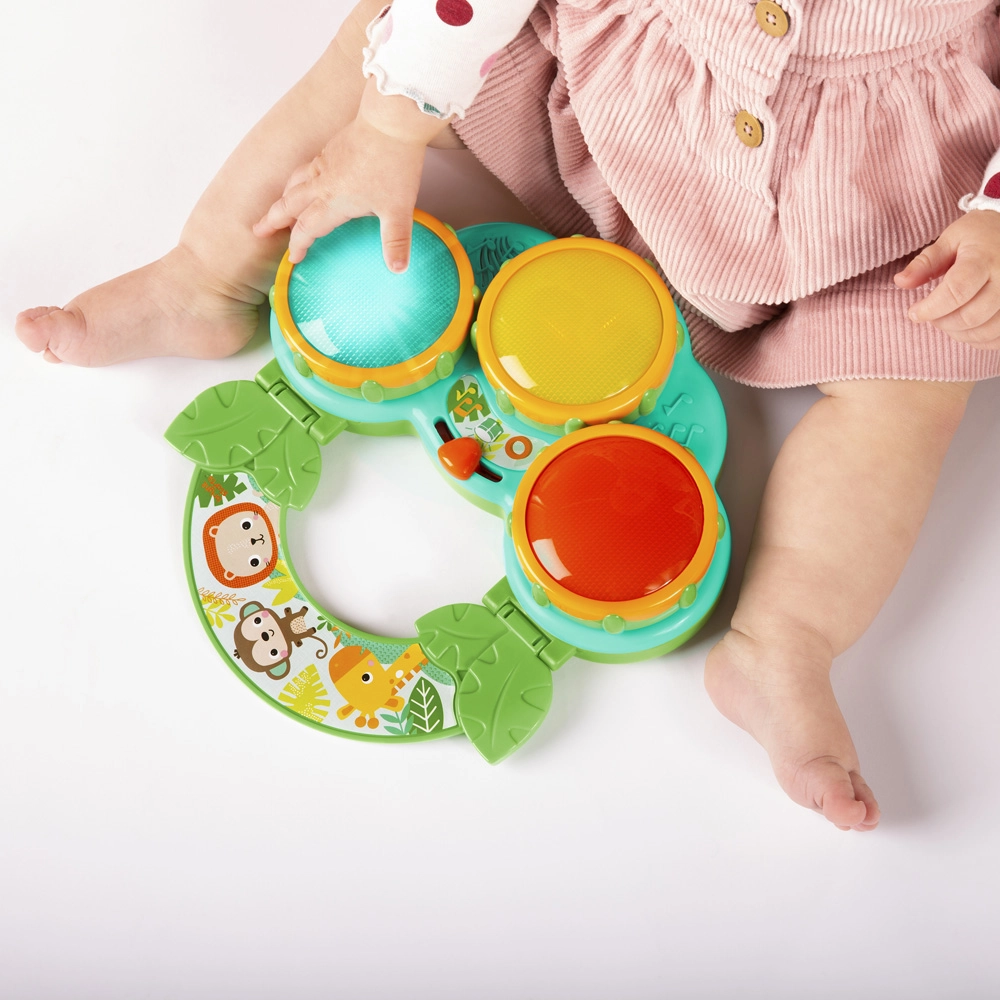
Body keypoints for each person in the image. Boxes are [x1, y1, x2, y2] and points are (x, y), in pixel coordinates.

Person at [16, 0, 1000, 831]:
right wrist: (390, 128)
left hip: (870, 208)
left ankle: (783, 639)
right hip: (611, 97)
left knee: (919, 376)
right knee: (379, 45)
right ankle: (204, 275)